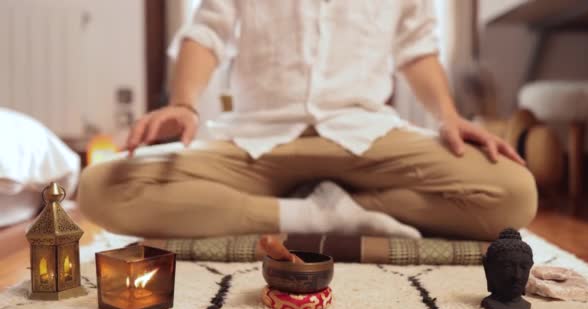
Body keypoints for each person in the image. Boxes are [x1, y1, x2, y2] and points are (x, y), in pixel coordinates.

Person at [78, 1, 537, 241]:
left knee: (514, 194)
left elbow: (417, 47)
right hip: (256, 139)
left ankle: (356, 208)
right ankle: (317, 214)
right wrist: (184, 104)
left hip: (365, 135)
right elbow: (206, 32)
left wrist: (450, 117)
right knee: (101, 187)